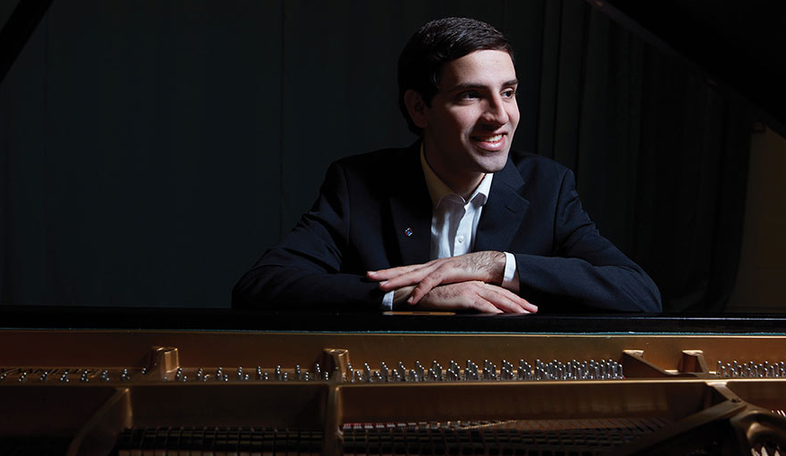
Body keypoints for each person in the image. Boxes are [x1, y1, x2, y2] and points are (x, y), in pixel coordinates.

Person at [233, 17, 661, 314]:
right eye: (471, 95)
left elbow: (640, 294)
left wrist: (498, 264)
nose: (499, 116)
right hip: (388, 393)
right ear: (419, 108)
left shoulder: (548, 187)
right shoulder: (358, 184)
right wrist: (411, 296)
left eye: (508, 92)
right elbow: (261, 287)